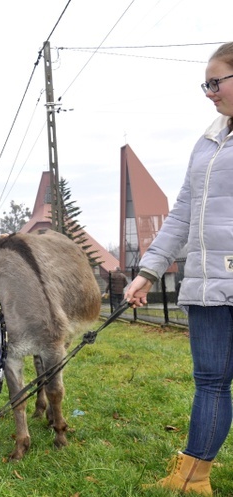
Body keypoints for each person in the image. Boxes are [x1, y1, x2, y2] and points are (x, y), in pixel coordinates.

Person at [124, 41, 233, 496]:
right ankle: (192, 478)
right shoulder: (207, 144)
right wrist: (147, 272)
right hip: (208, 285)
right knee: (210, 382)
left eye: (216, 82)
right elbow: (182, 216)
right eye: (205, 84)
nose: (209, 92)